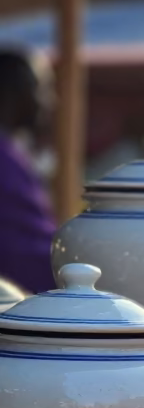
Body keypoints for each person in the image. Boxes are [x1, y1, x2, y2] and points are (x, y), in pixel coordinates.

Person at [0, 50, 55, 293]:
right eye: (42, 88)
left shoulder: (12, 152)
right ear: (12, 92)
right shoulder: (4, 160)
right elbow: (25, 251)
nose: (51, 100)